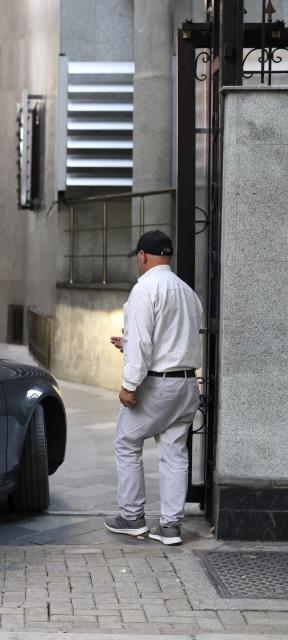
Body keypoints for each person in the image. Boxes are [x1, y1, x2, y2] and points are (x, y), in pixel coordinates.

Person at [104, 230, 203, 545]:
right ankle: (170, 526)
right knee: (175, 451)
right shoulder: (187, 291)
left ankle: (132, 517)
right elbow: (173, 338)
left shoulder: (144, 289)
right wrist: (129, 343)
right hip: (187, 384)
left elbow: (145, 342)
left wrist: (129, 385)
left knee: (127, 442)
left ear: (142, 255)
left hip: (157, 386)